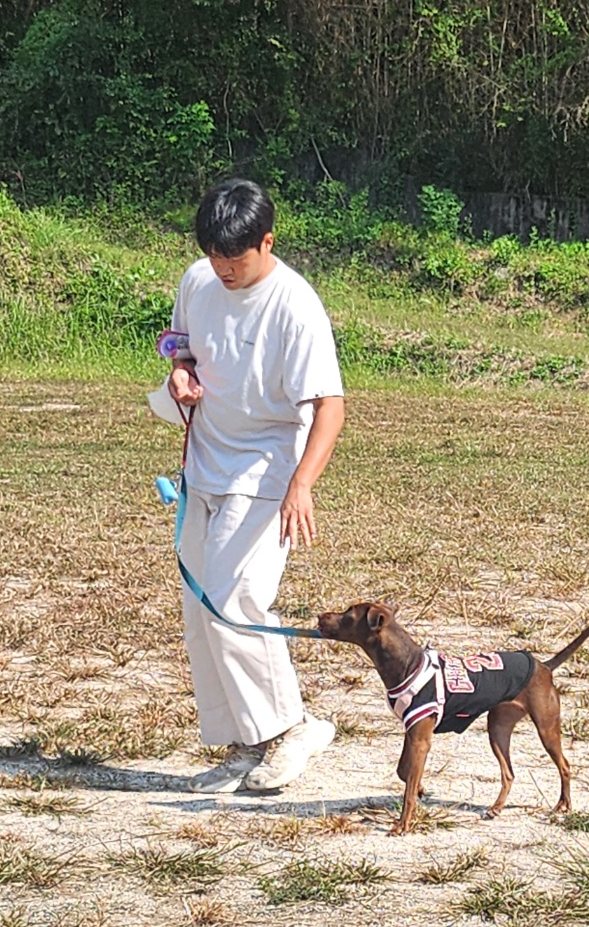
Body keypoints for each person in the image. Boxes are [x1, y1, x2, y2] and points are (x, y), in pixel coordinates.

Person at [166, 178, 346, 793]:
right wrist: (181, 376)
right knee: (200, 606)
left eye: (234, 259)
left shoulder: (295, 305)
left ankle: (294, 729)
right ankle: (244, 742)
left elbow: (329, 406)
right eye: (213, 255)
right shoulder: (199, 280)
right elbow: (182, 347)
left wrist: (302, 485)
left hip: (266, 469)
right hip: (205, 460)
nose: (222, 269)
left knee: (233, 600)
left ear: (267, 242)